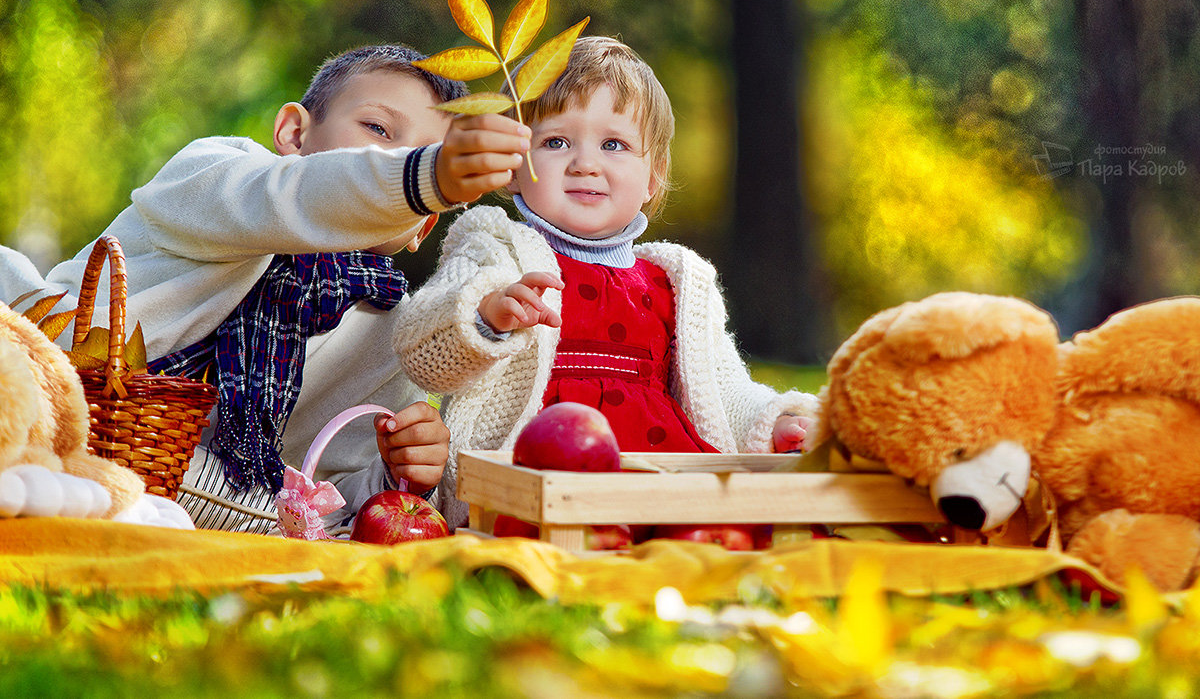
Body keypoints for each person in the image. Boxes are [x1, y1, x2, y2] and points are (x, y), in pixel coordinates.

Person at [0, 44, 531, 534]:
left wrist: (395, 473)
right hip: (42, 378)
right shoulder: (216, 176)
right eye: (379, 130)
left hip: (163, 496)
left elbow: (323, 497)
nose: (394, 159)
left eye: (421, 155)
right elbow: (297, 195)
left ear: (423, 227)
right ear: (294, 134)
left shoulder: (391, 330)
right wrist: (423, 176)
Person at [392, 36, 819, 529]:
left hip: (658, 473)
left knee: (720, 528)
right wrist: (486, 316)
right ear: (512, 167)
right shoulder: (494, 246)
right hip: (533, 474)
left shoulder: (678, 282)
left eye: (613, 144)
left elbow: (726, 393)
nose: (585, 164)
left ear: (653, 176)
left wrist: (776, 422)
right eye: (556, 142)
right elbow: (420, 351)